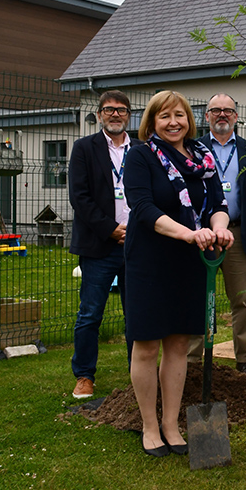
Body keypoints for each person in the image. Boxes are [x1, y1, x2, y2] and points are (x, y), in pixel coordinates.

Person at [123, 90, 234, 456]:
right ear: (151, 122)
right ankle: (149, 426)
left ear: (190, 120)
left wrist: (221, 227)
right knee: (147, 343)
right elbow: (143, 208)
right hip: (150, 261)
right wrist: (190, 233)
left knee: (178, 344)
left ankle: (171, 424)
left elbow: (218, 203)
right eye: (164, 116)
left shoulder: (202, 157)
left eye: (179, 115)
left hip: (192, 260)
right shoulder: (140, 156)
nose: (173, 122)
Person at [186, 94, 246, 377]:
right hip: (200, 235)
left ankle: (244, 360)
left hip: (237, 234)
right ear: (206, 116)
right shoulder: (191, 149)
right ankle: (192, 362)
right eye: (215, 110)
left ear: (236, 116)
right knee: (196, 297)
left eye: (228, 111)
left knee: (241, 300)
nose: (222, 115)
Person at [68, 90, 141, 400]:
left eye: (121, 110)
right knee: (90, 314)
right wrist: (112, 230)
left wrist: (136, 230)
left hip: (138, 245)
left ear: (129, 115)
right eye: (109, 110)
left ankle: (138, 374)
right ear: (99, 115)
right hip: (100, 246)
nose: (115, 115)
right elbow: (79, 198)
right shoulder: (84, 148)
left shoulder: (141, 148)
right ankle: (84, 375)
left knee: (137, 314)